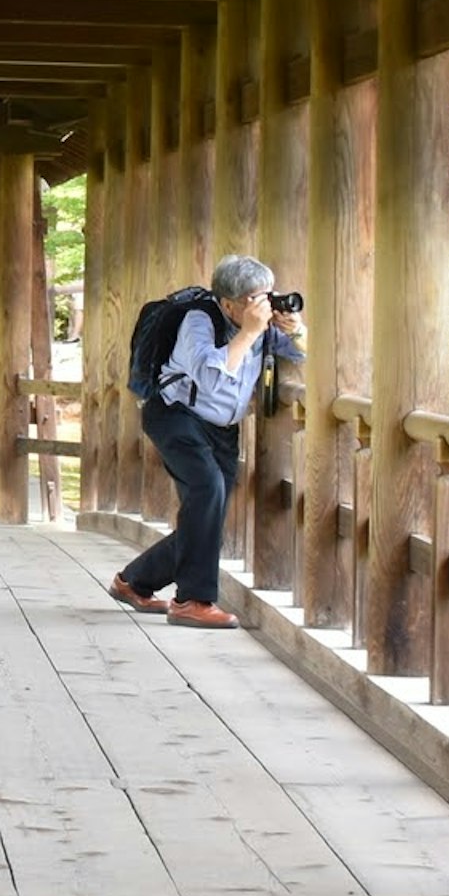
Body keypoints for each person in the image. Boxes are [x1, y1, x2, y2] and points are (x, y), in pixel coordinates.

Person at [109, 254, 305, 629]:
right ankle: (192, 601)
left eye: (267, 295)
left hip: (221, 428)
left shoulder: (262, 323)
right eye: (253, 299)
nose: (263, 306)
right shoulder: (197, 321)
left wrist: (294, 329)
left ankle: (134, 582)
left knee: (207, 512)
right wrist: (248, 333)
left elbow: (300, 353)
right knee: (208, 489)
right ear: (227, 302)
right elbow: (210, 378)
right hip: (176, 416)